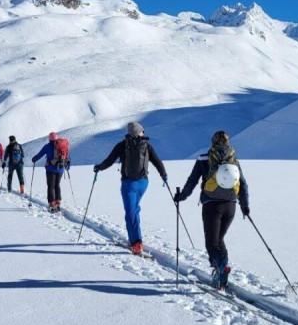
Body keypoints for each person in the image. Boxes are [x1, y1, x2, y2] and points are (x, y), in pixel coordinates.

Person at [174, 130, 250, 290]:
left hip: (211, 205)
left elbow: (192, 181)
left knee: (211, 242)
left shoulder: (204, 158)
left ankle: (221, 268)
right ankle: (222, 272)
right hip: (230, 205)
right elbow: (243, 184)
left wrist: (181, 196)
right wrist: (245, 205)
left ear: (213, 142)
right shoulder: (233, 160)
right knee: (219, 239)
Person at [93, 122, 167, 255]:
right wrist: (164, 175)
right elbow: (157, 161)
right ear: (140, 132)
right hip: (143, 183)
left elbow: (110, 160)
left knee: (130, 213)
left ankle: (136, 243)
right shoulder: (147, 145)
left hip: (129, 184)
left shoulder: (122, 145)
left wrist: (99, 167)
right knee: (135, 209)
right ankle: (135, 237)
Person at [31, 132, 69, 212]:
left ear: (49, 139)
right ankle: (58, 202)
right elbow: (67, 156)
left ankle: (52, 204)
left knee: (51, 186)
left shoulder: (47, 146)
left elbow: (40, 155)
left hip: (50, 169)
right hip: (60, 169)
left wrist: (34, 159)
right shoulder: (62, 145)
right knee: (57, 185)